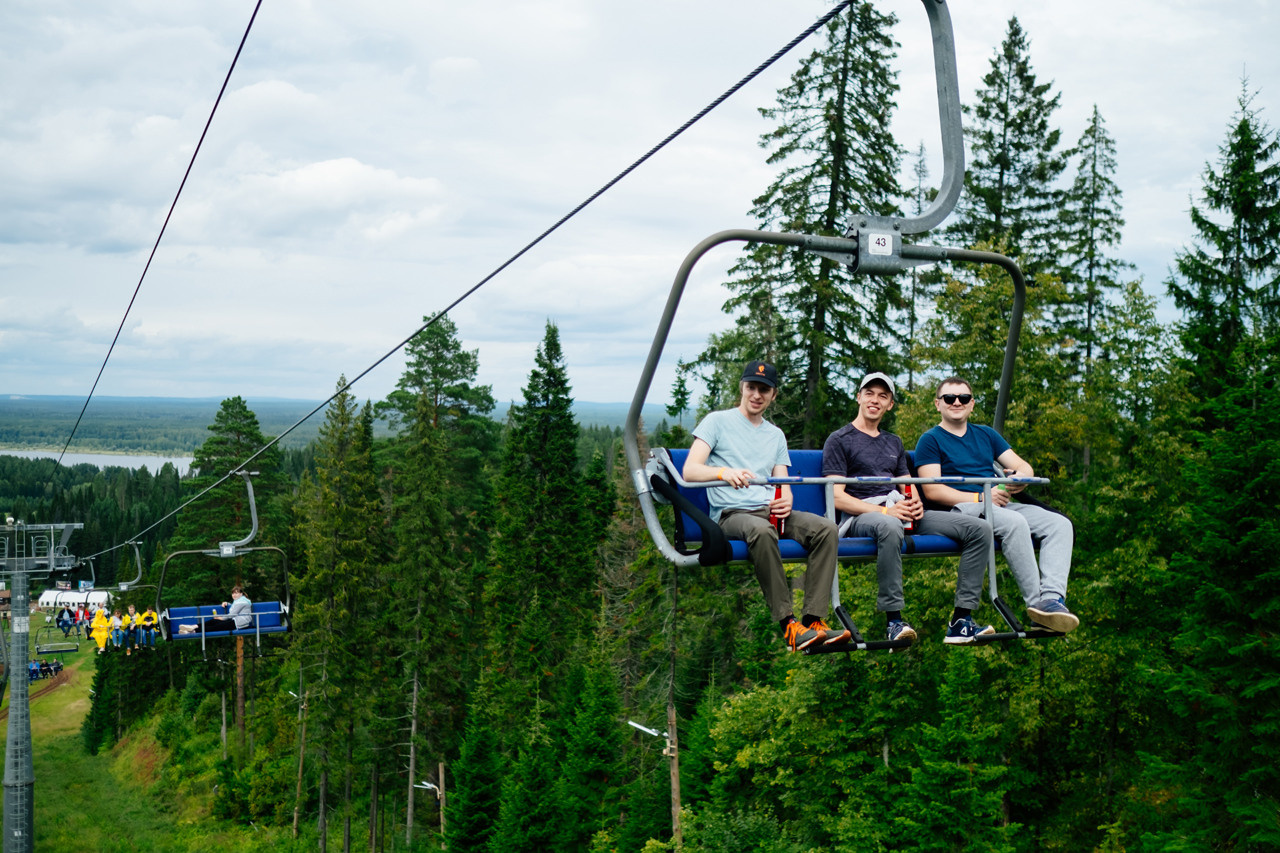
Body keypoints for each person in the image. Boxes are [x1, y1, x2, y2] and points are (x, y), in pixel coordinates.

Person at [683, 361, 850, 652]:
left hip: (768, 510)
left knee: (826, 529)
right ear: (742, 389)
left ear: (773, 395)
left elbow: (781, 480)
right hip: (731, 514)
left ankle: (813, 621)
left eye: (764, 390)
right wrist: (723, 473)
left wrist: (786, 497)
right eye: (752, 388)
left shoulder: (775, 435)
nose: (756, 395)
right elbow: (690, 471)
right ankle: (788, 624)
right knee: (761, 530)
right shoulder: (717, 422)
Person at [823, 372, 997, 644]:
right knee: (890, 525)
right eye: (869, 394)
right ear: (858, 397)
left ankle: (962, 620)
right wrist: (884, 512)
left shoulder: (893, 442)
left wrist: (914, 502)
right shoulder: (840, 439)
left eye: (883, 396)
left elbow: (907, 484)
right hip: (862, 514)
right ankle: (893, 620)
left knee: (980, 529)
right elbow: (836, 497)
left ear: (890, 404)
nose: (875, 400)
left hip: (898, 511)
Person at [914, 377, 1079, 633]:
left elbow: (1024, 466)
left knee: (1059, 524)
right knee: (1015, 522)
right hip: (961, 509)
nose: (957, 402)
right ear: (938, 404)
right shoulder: (930, 440)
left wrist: (1017, 478)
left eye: (964, 398)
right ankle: (1037, 606)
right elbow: (932, 490)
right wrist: (981, 499)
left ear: (972, 404)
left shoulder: (986, 435)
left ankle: (1052, 599)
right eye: (949, 398)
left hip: (997, 505)